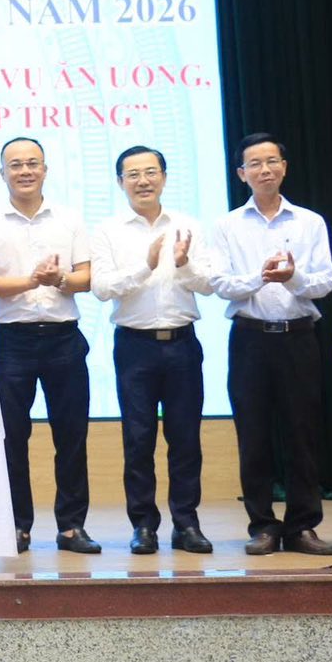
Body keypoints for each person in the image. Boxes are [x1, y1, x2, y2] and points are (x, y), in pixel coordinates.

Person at [207, 133, 332, 557]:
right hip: (250, 339)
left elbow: (325, 282)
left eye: (272, 161)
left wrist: (293, 278)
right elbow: (220, 283)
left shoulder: (309, 222)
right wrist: (259, 277)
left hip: (299, 338)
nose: (265, 170)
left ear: (284, 167)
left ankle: (302, 526)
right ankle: (262, 525)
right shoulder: (227, 225)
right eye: (255, 164)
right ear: (241, 174)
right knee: (254, 435)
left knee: (303, 435)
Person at [0, 138, 98, 555]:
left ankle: (72, 527)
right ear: (2, 172)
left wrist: (58, 279)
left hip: (64, 338)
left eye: (32, 163)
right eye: (15, 165)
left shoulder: (69, 219)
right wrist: (31, 281)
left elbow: (86, 278)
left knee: (72, 435)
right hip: (12, 342)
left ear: (45, 169)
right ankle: (16, 526)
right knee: (10, 437)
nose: (24, 171)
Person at [89, 145, 217, 556]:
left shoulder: (188, 225)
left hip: (182, 344)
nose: (143, 181)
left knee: (186, 438)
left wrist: (182, 263)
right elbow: (101, 288)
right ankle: (143, 525)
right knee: (138, 439)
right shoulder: (108, 230)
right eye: (133, 174)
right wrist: (145, 265)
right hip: (134, 347)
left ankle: (187, 523)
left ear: (164, 176)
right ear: (120, 182)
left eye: (150, 172)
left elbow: (209, 284)